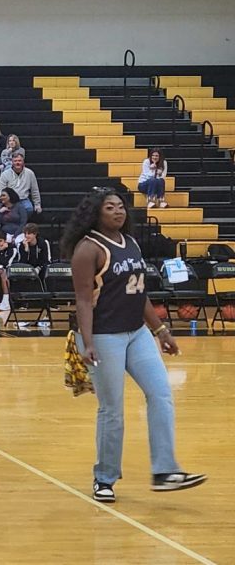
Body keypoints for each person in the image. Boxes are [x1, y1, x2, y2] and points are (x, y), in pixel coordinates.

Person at [63, 189, 206, 503]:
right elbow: (83, 301)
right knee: (112, 410)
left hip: (136, 332)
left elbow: (139, 292)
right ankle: (104, 478)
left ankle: (165, 470)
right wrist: (87, 342)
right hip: (103, 336)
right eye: (110, 207)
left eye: (120, 206)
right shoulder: (88, 250)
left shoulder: (132, 244)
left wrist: (160, 329)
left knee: (161, 393)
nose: (118, 211)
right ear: (95, 214)